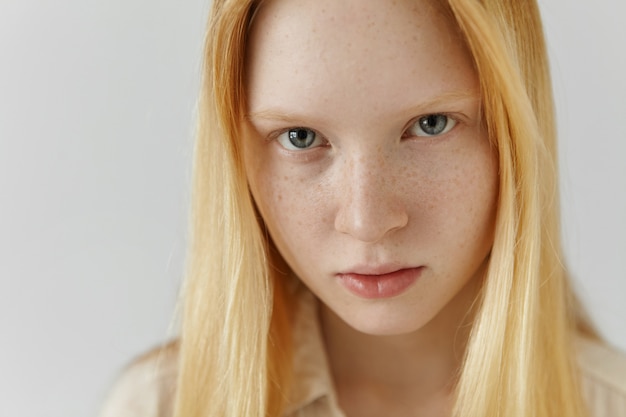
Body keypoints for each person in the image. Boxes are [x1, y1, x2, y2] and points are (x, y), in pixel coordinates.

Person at [100, 0, 626, 416]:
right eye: (301, 137)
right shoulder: (158, 408)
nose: (366, 221)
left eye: (431, 125)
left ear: (513, 130)